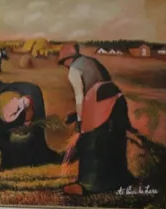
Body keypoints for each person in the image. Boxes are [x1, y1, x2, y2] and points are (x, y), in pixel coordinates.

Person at [56, 42, 134, 196]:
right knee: (114, 141)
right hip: (117, 103)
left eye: (63, 62)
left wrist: (80, 122)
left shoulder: (74, 70)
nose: (64, 66)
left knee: (91, 142)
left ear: (67, 59)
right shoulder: (92, 61)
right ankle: (119, 179)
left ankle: (90, 184)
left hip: (98, 107)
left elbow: (80, 97)